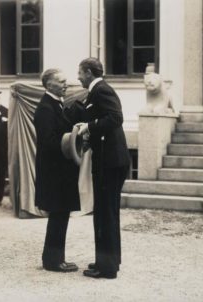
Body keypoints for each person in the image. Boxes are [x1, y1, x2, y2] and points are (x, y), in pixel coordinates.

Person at [76, 58, 130, 279]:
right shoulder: (97, 90)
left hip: (110, 161)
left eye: (79, 72)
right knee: (107, 212)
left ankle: (106, 268)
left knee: (105, 214)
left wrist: (88, 127)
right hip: (109, 159)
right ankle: (109, 260)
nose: (78, 76)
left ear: (88, 72)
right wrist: (90, 133)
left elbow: (116, 117)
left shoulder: (100, 89)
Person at [34, 69, 80, 273]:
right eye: (61, 81)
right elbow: (49, 142)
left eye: (65, 80)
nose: (66, 84)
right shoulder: (46, 108)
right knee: (58, 216)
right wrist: (72, 138)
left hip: (60, 171)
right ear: (49, 84)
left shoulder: (56, 105)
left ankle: (55, 258)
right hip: (55, 172)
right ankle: (53, 261)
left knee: (61, 216)